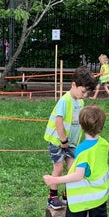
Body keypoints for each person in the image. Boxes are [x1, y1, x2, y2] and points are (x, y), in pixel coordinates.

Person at [43, 104, 109, 217]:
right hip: (99, 195)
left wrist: (54, 180)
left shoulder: (82, 149)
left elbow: (78, 175)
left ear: (80, 126)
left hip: (81, 199)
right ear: (101, 126)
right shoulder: (104, 144)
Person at [43, 66, 96, 209]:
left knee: (73, 168)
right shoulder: (64, 101)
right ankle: (52, 196)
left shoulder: (81, 102)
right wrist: (63, 140)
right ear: (74, 84)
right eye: (83, 91)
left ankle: (69, 194)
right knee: (58, 168)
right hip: (57, 141)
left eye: (87, 92)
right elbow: (58, 121)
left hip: (71, 143)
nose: (85, 95)